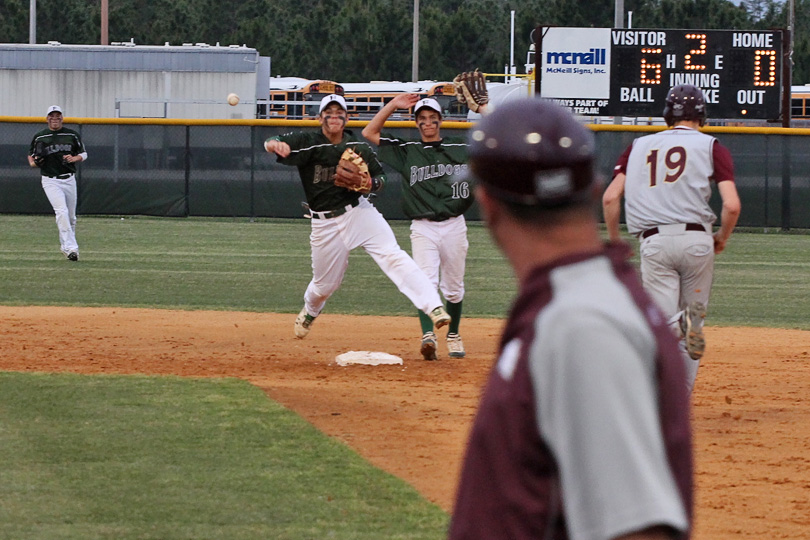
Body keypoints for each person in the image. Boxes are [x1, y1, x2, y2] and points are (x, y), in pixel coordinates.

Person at [449, 98, 693, 540]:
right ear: (593, 188)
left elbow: (636, 529)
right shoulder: (583, 302)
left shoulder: (583, 323)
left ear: (487, 203)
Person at [263, 94, 451, 340]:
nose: (334, 116)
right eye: (328, 113)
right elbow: (272, 139)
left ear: (346, 117)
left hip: (358, 213)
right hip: (324, 223)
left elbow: (381, 179)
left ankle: (433, 307)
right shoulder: (308, 141)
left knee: (392, 255)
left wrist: (369, 184)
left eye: (338, 112)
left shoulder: (358, 148)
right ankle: (310, 311)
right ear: (320, 118)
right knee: (325, 286)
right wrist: (275, 145)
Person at [602, 84, 741, 393]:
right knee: (694, 328)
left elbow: (611, 198)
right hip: (698, 241)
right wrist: (722, 237)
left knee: (662, 327)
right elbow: (731, 205)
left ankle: (677, 329)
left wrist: (614, 241)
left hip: (655, 242)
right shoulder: (711, 146)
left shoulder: (637, 146)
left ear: (667, 113)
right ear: (702, 114)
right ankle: (681, 399)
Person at [362, 95, 476, 360]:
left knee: (454, 287)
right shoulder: (407, 150)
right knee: (425, 281)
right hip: (423, 226)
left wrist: (482, 109)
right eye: (421, 118)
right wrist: (392, 106)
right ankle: (428, 336)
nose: (427, 122)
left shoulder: (460, 149)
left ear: (441, 120)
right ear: (416, 123)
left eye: (432, 117)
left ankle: (454, 335)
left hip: (454, 224)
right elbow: (370, 131)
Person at [28, 105, 88, 261]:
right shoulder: (40, 137)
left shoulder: (72, 135)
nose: (54, 118)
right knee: (61, 212)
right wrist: (36, 162)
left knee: (71, 217)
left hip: (69, 179)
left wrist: (75, 158)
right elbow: (31, 158)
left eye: (57, 115)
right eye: (51, 116)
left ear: (62, 117)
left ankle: (65, 247)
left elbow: (84, 153)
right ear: (47, 118)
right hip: (50, 180)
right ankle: (72, 248)